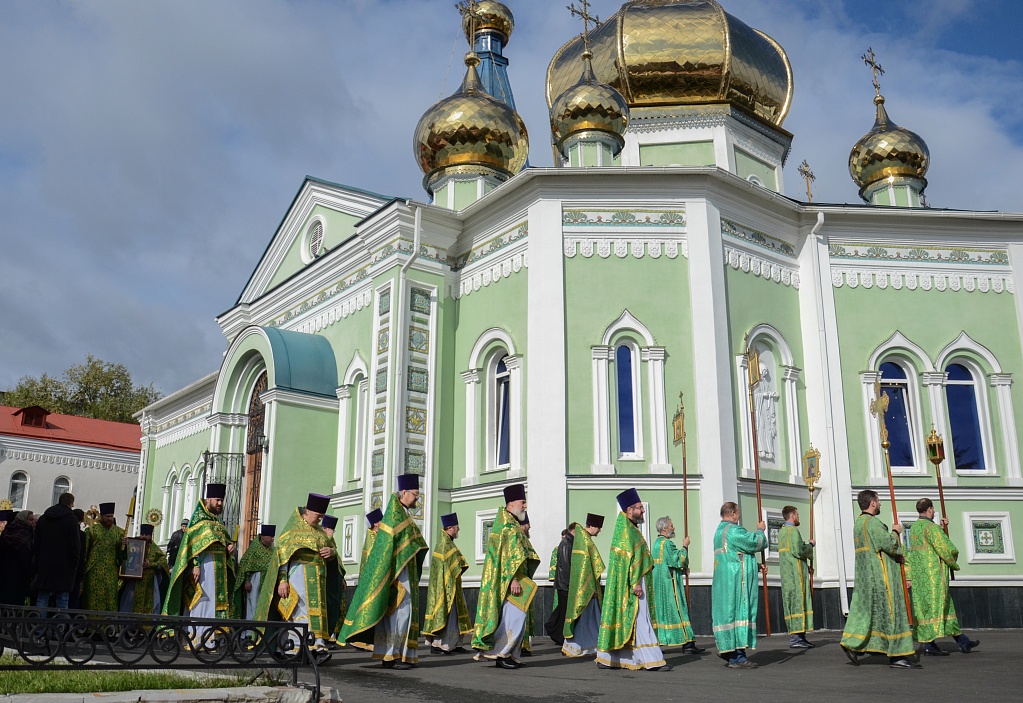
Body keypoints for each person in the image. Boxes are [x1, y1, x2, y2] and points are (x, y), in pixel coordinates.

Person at [339, 474, 428, 669]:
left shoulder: (402, 514)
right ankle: (391, 656)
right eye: (415, 494)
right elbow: (390, 549)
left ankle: (396, 655)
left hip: (405, 573)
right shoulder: (395, 515)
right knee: (399, 615)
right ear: (404, 492)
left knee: (403, 615)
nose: (417, 499)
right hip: (397, 574)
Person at [840, 490, 919, 669]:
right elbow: (890, 546)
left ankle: (854, 645)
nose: (881, 504)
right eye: (879, 500)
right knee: (893, 614)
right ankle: (898, 655)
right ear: (873, 503)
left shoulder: (859, 523)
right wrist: (895, 532)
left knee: (871, 615)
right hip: (883, 577)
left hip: (867, 577)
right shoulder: (873, 523)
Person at [596, 489, 670, 672]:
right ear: (629, 510)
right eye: (639, 508)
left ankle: (609, 659)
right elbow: (629, 560)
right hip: (634, 584)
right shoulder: (626, 531)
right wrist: (635, 583)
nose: (643, 511)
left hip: (633, 582)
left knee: (632, 620)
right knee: (640, 619)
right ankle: (652, 660)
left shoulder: (629, 528)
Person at [255, 494, 335, 652]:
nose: (319, 520)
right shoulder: (292, 530)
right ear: (308, 511)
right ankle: (299, 647)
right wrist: (282, 581)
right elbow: (282, 558)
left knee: (316, 613)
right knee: (298, 612)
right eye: (318, 516)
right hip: (298, 577)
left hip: (318, 580)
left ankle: (313, 646)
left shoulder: (319, 532)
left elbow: (333, 554)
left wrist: (331, 551)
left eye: (322, 517)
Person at [472, 483, 540, 669]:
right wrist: (513, 579)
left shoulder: (510, 524)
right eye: (522, 502)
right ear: (511, 503)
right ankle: (501, 654)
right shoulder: (507, 526)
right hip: (512, 582)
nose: (525, 506)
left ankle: (510, 654)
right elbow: (506, 558)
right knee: (514, 619)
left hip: (516, 580)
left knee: (518, 619)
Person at [907, 498, 979, 655]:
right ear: (930, 509)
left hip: (920, 578)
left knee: (935, 610)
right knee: (937, 609)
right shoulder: (931, 528)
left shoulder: (914, 528)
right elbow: (945, 549)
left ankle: (963, 641)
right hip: (934, 578)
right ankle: (930, 646)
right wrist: (953, 560)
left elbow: (926, 545)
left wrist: (941, 528)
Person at [163, 483, 238, 633]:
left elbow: (225, 542)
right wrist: (195, 565)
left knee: (215, 601)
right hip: (204, 568)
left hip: (219, 569)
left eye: (221, 500)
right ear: (208, 499)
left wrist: (229, 547)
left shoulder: (218, 523)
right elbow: (191, 547)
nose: (219, 503)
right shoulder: (198, 522)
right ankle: (196, 637)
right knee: (202, 601)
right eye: (217, 500)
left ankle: (212, 638)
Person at [712, 501, 767, 669]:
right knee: (739, 614)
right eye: (738, 513)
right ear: (733, 514)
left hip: (725, 580)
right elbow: (755, 543)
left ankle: (729, 651)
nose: (739, 516)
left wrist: (755, 566)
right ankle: (737, 657)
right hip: (736, 582)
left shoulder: (719, 531)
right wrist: (760, 530)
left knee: (729, 615)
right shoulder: (733, 530)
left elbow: (736, 556)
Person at [650, 516, 703, 654]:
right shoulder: (667, 544)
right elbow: (678, 559)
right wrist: (685, 546)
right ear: (664, 528)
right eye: (672, 525)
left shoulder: (656, 543)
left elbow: (668, 563)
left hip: (660, 583)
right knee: (679, 609)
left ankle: (662, 640)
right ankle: (687, 643)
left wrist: (681, 569)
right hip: (670, 584)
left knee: (662, 613)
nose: (674, 528)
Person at [423, 512, 471, 654]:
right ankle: (439, 645)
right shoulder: (444, 544)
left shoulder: (448, 543)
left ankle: (455, 644)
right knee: (446, 615)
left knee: (455, 616)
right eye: (457, 527)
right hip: (444, 586)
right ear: (449, 527)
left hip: (453, 585)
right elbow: (451, 565)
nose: (459, 530)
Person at [562, 514, 604, 657]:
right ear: (591, 526)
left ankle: (591, 645)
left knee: (590, 618)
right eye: (598, 527)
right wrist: (590, 587)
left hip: (588, 586)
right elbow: (586, 567)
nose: (599, 531)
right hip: (588, 587)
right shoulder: (585, 540)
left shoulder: (582, 539)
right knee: (585, 619)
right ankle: (577, 646)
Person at [33, 492, 80, 610]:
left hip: (45, 563)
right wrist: (75, 563)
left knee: (42, 598)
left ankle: (39, 627)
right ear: (71, 503)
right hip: (64, 566)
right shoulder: (71, 519)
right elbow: (74, 545)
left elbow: (36, 542)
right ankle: (60, 627)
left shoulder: (44, 518)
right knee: (62, 600)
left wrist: (38, 560)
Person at [778, 505, 815, 649]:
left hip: (788, 574)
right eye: (797, 514)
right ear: (792, 515)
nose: (798, 517)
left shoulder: (782, 532)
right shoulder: (793, 531)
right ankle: (797, 638)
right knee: (799, 603)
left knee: (793, 603)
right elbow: (798, 551)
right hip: (796, 573)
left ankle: (800, 636)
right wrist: (810, 546)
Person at [81, 502, 126, 611]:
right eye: (107, 516)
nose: (110, 519)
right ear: (101, 516)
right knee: (92, 598)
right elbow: (85, 552)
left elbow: (122, 558)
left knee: (110, 599)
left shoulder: (119, 532)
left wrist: (124, 546)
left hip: (111, 572)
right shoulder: (91, 530)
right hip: (93, 571)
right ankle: (91, 626)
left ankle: (108, 626)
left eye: (111, 516)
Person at [119, 524, 169, 614]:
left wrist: (151, 564)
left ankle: (147, 626)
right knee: (130, 601)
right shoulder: (133, 543)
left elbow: (163, 563)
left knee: (152, 603)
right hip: (134, 581)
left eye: (146, 535)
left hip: (149, 583)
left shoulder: (155, 549)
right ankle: (128, 625)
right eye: (142, 534)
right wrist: (124, 545)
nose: (144, 537)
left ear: (151, 535)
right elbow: (123, 556)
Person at [236, 524, 275, 619]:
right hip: (255, 581)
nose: (272, 539)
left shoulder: (272, 550)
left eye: (273, 537)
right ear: (263, 536)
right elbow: (245, 565)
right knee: (253, 604)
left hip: (267, 582)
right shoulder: (254, 549)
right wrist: (247, 581)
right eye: (270, 537)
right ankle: (249, 631)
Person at [320, 514, 348, 646]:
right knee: (327, 608)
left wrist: (341, 577)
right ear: (325, 529)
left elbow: (337, 560)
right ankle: (323, 638)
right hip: (325, 582)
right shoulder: (321, 540)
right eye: (332, 530)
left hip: (334, 581)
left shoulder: (332, 542)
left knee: (334, 610)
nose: (332, 533)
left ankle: (329, 635)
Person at [545, 523, 574, 647]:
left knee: (561, 610)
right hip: (564, 583)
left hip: (563, 582)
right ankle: (556, 631)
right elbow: (564, 565)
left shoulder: (569, 545)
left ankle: (554, 630)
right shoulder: (564, 545)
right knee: (562, 610)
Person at [0, 510, 35, 605]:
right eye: (30, 519)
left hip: (5, 570)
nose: (32, 522)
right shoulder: (25, 533)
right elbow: (24, 555)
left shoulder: (8, 531)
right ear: (23, 520)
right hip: (17, 572)